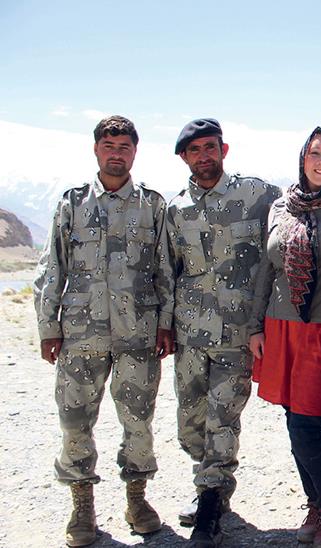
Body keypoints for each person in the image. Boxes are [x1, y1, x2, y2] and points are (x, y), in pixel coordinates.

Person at [33, 115, 173, 547]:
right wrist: (47, 327)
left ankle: (137, 499)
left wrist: (165, 324)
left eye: (125, 146)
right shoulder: (72, 203)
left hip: (138, 334)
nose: (117, 153)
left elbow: (166, 269)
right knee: (75, 421)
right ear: (96, 150)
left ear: (135, 152)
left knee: (138, 423)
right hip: (81, 334)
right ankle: (83, 506)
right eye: (109, 146)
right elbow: (51, 267)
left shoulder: (153, 205)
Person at [166, 118, 280, 547]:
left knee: (223, 416)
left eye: (210, 148)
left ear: (223, 150)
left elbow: (300, 212)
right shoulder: (175, 209)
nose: (204, 157)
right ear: (185, 158)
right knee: (191, 424)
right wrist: (165, 326)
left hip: (237, 334)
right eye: (195, 151)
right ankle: (208, 486)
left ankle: (211, 505)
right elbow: (166, 271)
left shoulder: (258, 195)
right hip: (190, 333)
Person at [249, 126, 321, 548]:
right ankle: (318, 504)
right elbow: (266, 269)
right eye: (315, 153)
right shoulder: (282, 206)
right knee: (293, 422)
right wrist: (255, 326)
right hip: (282, 328)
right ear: (302, 156)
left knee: (307, 426)